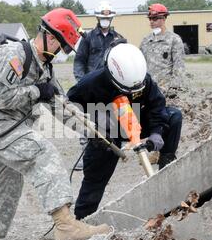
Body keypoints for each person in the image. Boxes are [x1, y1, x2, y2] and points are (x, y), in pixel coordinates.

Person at [0, 8, 110, 240]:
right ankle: (65, 224)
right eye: (63, 46)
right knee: (43, 153)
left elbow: (61, 105)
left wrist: (93, 131)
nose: (62, 53)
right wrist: (36, 91)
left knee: (6, 187)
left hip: (10, 127)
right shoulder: (12, 55)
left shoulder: (43, 67)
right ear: (52, 38)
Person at [67, 42, 182, 220]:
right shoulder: (90, 83)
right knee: (97, 174)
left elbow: (156, 105)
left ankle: (165, 166)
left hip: (134, 119)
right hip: (107, 130)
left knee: (174, 116)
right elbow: (70, 107)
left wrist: (157, 131)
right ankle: (83, 218)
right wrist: (93, 127)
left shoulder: (143, 80)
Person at [73, 1, 124, 171]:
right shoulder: (87, 38)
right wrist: (82, 81)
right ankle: (85, 155)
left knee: (112, 118)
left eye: (108, 17)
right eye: (102, 17)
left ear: (112, 18)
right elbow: (79, 60)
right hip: (91, 86)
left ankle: (113, 150)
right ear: (97, 17)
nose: (105, 20)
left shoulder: (119, 39)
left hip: (110, 86)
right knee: (88, 120)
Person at [140, 3, 187, 90]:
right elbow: (140, 65)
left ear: (164, 18)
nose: (151, 21)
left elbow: (179, 66)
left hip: (166, 89)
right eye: (150, 18)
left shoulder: (174, 40)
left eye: (155, 18)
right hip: (148, 89)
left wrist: (174, 88)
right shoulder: (146, 40)